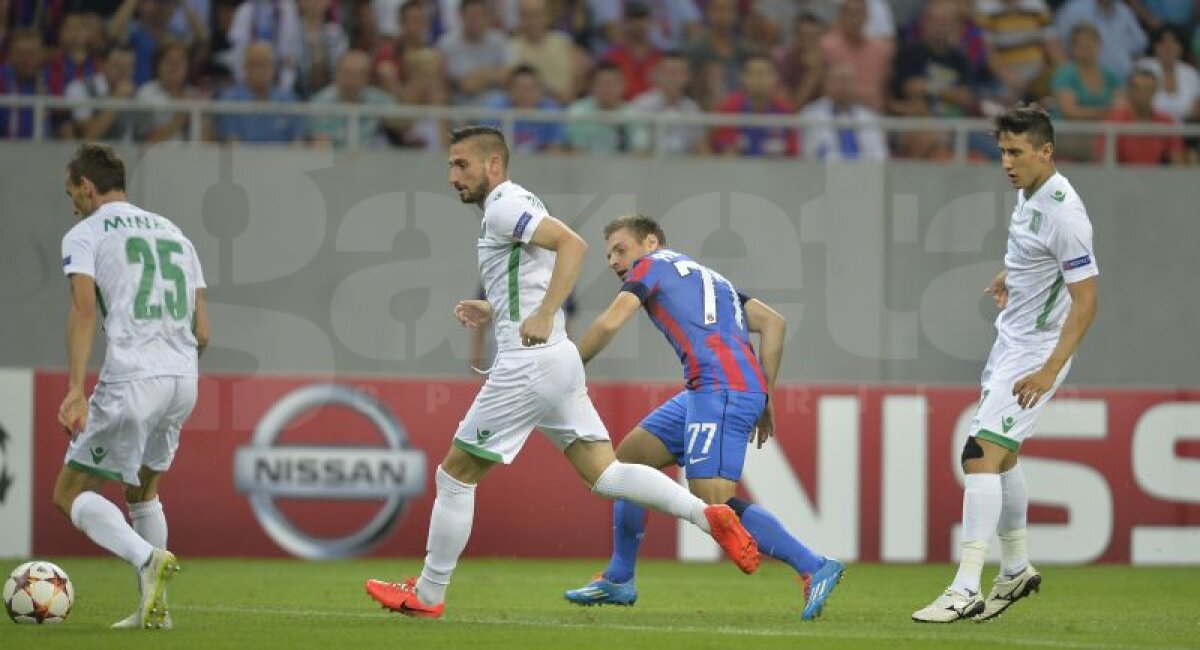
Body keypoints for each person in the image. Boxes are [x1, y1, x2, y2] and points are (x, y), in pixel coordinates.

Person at [364, 125, 761, 618]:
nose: (451, 176)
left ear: (493, 165)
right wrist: (499, 309)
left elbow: (573, 245)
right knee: (606, 473)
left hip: (528, 364)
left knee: (456, 476)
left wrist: (546, 311)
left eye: (461, 164)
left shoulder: (504, 204)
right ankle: (708, 516)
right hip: (556, 361)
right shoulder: (516, 203)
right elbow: (534, 271)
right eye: (450, 165)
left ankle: (427, 594)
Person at [562, 214, 845, 620]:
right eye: (608, 254)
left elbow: (609, 323)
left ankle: (813, 565)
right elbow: (774, 324)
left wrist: (568, 368)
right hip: (710, 389)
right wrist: (765, 393)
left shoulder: (651, 266)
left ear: (651, 242)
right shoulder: (710, 280)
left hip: (720, 389)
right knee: (627, 463)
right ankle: (620, 576)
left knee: (714, 503)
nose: (613, 260)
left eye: (621, 249)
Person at [912, 105, 1099, 623]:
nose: (1006, 163)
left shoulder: (1066, 213)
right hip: (1011, 342)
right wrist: (1010, 274)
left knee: (978, 454)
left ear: (1046, 152)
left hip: (1036, 353)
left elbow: (1087, 300)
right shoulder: (1029, 194)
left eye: (1016, 152)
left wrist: (1049, 368)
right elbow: (1037, 255)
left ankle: (965, 586)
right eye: (1002, 152)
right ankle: (1015, 568)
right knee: (1004, 456)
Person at [54, 143, 210, 629]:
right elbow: (203, 331)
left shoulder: (85, 233)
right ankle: (155, 613)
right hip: (184, 378)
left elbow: (83, 311)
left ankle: (146, 557)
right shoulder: (175, 233)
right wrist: (173, 364)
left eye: (72, 193)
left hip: (132, 376)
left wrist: (76, 389)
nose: (72, 203)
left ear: (86, 185)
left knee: (69, 492)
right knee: (144, 493)